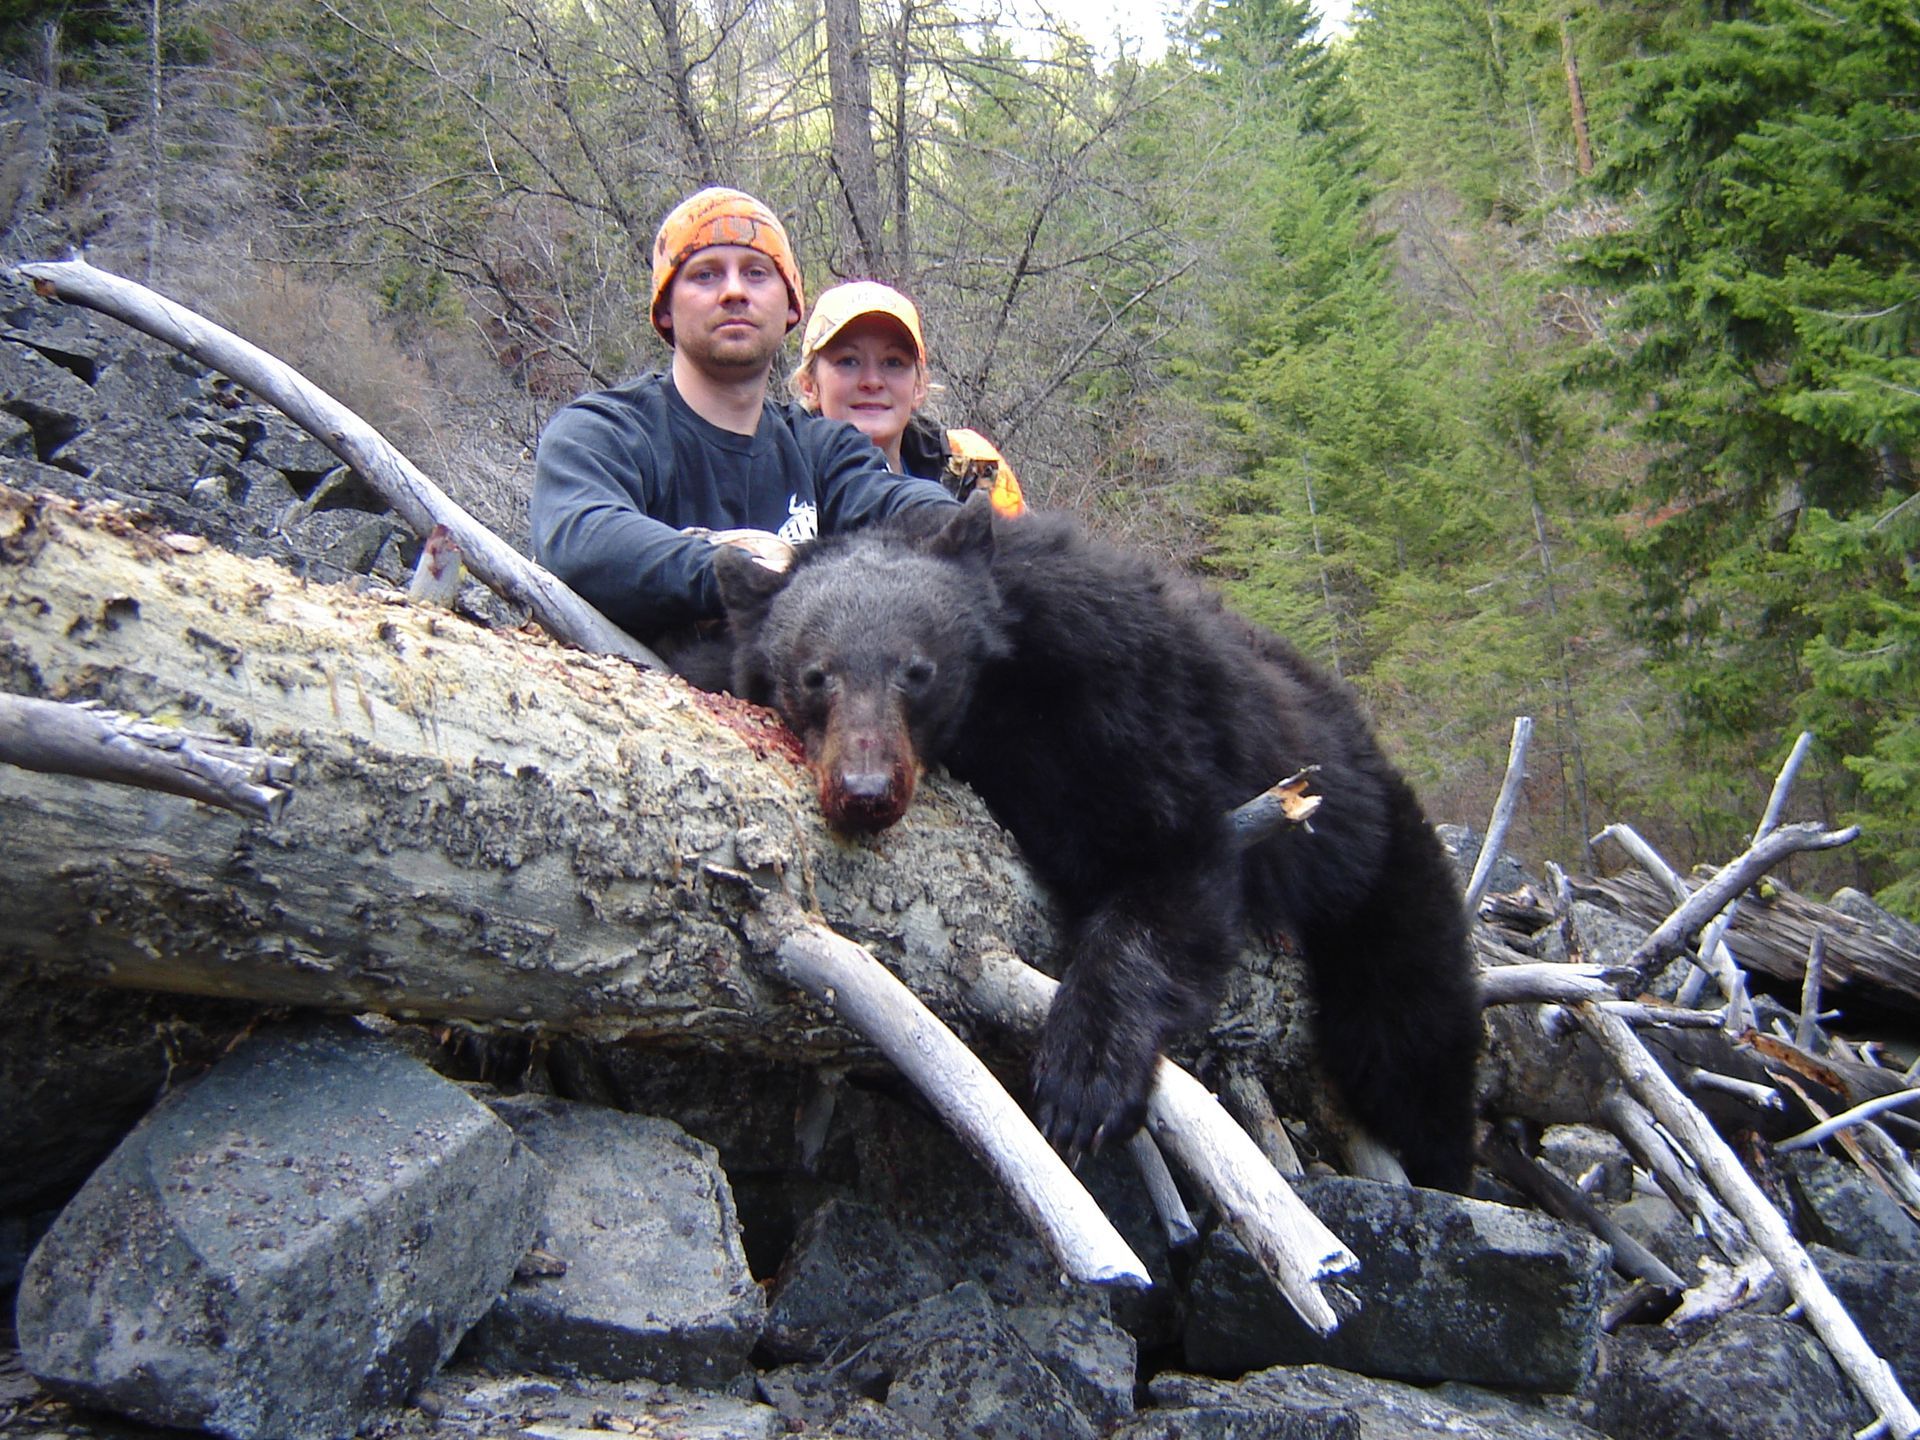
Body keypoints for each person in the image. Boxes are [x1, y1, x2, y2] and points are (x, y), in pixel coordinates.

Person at [530, 188, 958, 655]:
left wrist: (969, 530)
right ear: (665, 311)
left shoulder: (824, 449)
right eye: (705, 274)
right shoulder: (603, 432)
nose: (734, 291)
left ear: (791, 307)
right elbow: (581, 540)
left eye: (756, 273)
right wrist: (749, 571)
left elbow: (907, 506)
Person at [790, 280, 1025, 519]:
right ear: (809, 385)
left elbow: (1022, 550)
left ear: (919, 387)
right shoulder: (781, 477)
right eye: (848, 361)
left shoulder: (971, 466)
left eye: (893, 362)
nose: (872, 381)